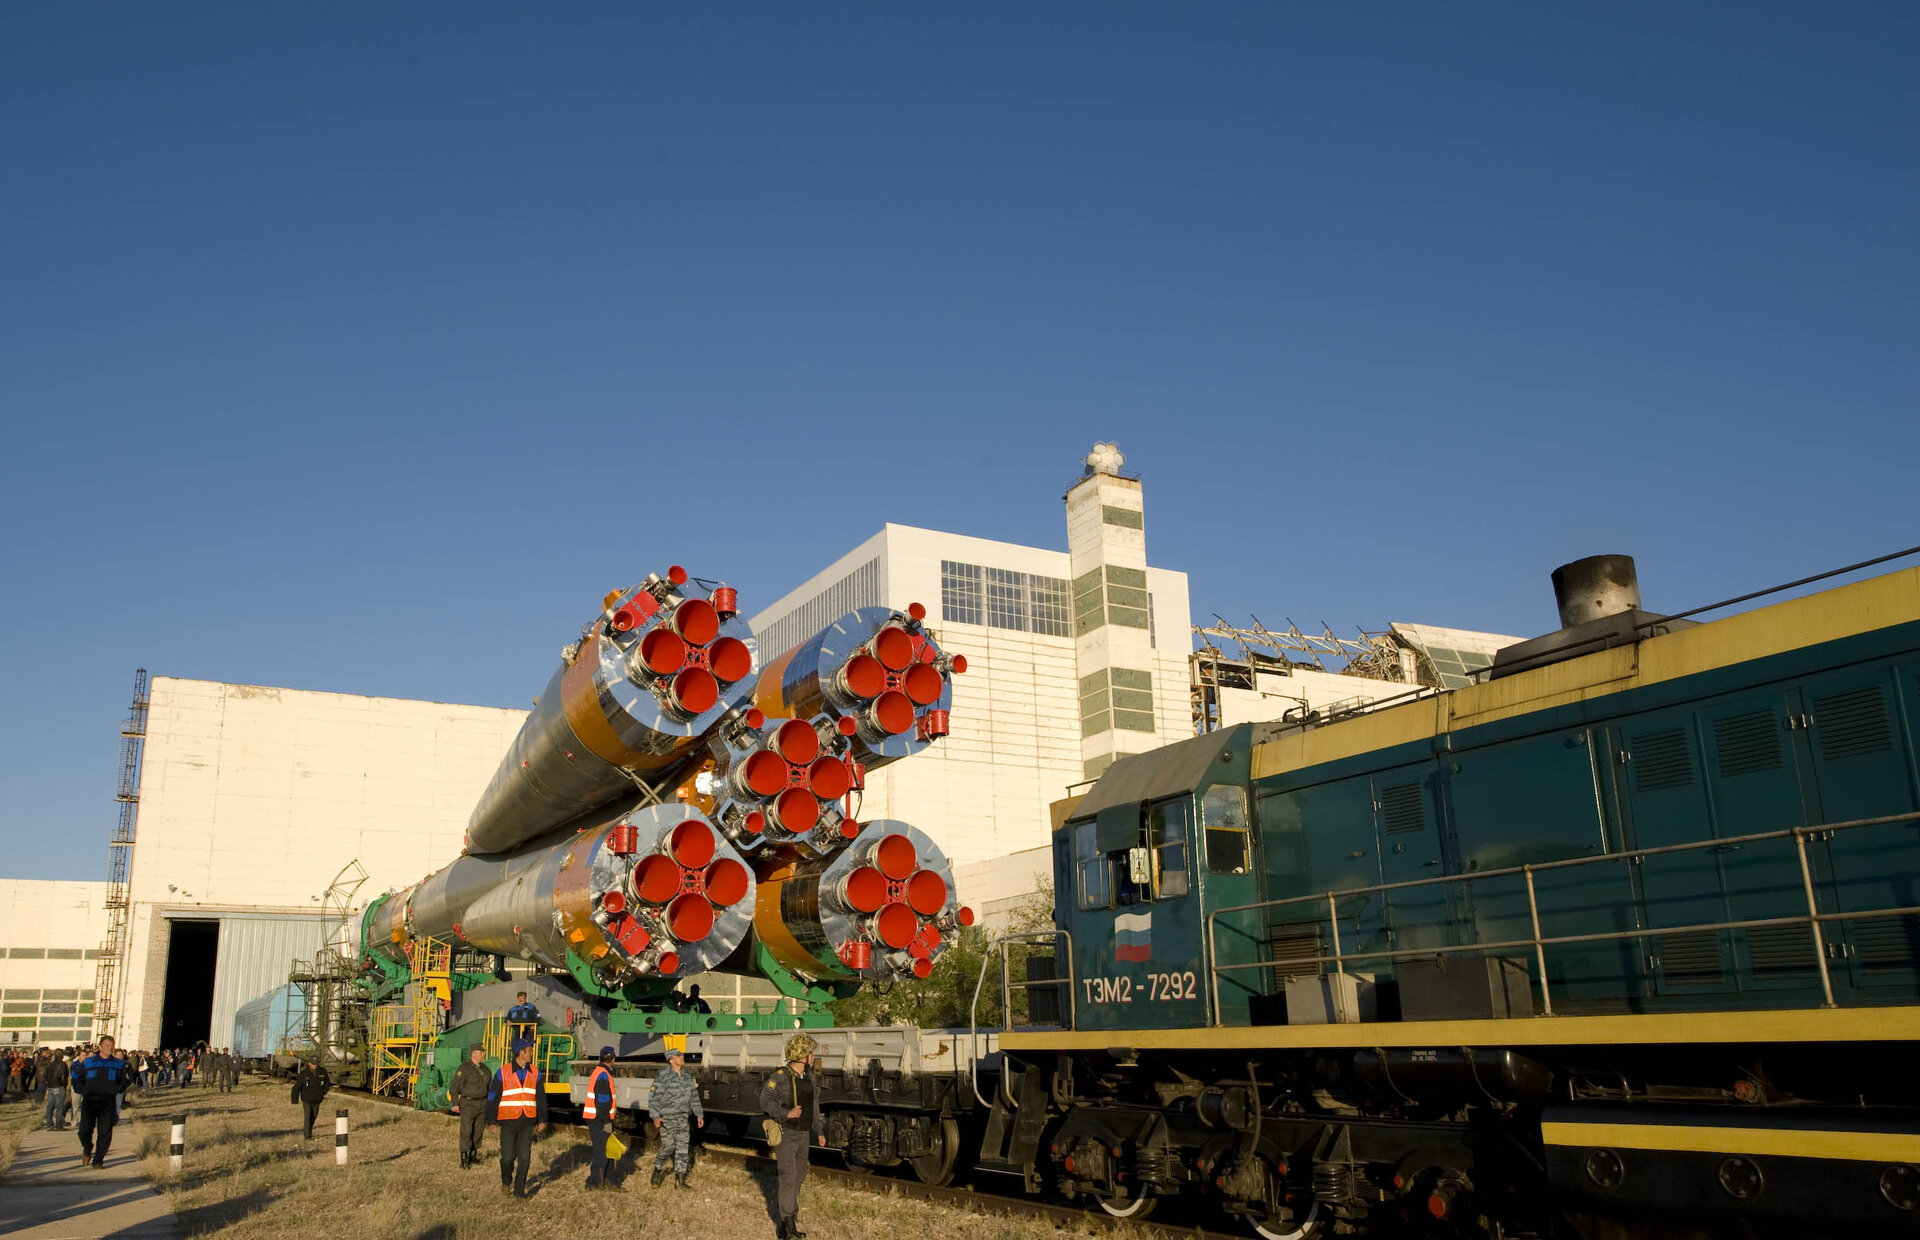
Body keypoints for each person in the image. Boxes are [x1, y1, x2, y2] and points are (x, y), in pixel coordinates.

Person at [759, 1034, 826, 1240]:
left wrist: (819, 1130)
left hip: (803, 1133)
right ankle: (788, 1228)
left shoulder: (809, 1076)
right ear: (801, 1055)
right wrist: (786, 1114)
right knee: (788, 1177)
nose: (813, 1057)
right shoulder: (780, 1076)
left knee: (800, 1175)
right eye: (810, 1053)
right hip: (786, 1133)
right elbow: (764, 1100)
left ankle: (786, 1220)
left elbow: (814, 1106)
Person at [486, 1039, 548, 1199]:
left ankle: (519, 1192)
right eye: (530, 1050)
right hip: (508, 1122)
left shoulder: (536, 1072)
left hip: (527, 1122)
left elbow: (541, 1098)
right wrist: (491, 1120)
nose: (532, 1053)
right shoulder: (502, 1072)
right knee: (507, 1159)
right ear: (521, 1052)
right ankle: (506, 1182)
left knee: (525, 1160)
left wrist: (542, 1119)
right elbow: (493, 1097)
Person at [648, 1044, 705, 1189]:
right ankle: (658, 1169)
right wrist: (655, 1116)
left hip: (682, 1118)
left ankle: (680, 1181)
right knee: (668, 1147)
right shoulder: (663, 1077)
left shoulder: (687, 1076)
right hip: (667, 1119)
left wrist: (699, 1114)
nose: (682, 1057)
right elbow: (653, 1098)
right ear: (671, 1060)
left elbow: (694, 1096)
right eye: (679, 1056)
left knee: (682, 1148)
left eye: (681, 1055)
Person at [71, 1036, 132, 1168]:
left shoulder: (119, 1064)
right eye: (107, 1045)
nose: (109, 1048)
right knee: (84, 1131)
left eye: (111, 1046)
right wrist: (83, 1090)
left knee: (104, 1133)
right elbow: (77, 1078)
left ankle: (98, 1160)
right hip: (90, 1101)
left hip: (107, 1102)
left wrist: (117, 1089)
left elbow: (125, 1080)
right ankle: (87, 1148)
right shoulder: (88, 1062)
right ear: (100, 1047)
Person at [581, 1046, 622, 1192]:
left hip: (596, 1118)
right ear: (613, 1059)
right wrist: (606, 1121)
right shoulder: (604, 1075)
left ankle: (607, 1180)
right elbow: (603, 1101)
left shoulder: (600, 1072)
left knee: (607, 1150)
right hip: (599, 1119)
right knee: (602, 1152)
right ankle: (594, 1183)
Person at [449, 1045, 493, 1170]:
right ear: (474, 1053)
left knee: (478, 1132)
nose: (483, 1055)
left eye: (483, 1053)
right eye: (481, 1052)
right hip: (468, 1104)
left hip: (482, 1104)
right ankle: (464, 1159)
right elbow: (454, 1087)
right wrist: (455, 1104)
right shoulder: (464, 1069)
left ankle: (473, 1155)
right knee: (466, 1131)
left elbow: (490, 1088)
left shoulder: (486, 1070)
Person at [290, 1057, 332, 1140]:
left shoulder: (322, 1071)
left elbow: (327, 1083)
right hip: (307, 1099)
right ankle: (307, 1135)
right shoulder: (304, 1073)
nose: (314, 1066)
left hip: (317, 1098)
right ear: (309, 1063)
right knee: (307, 1116)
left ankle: (308, 1129)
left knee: (314, 1115)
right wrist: (294, 1099)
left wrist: (323, 1092)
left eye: (316, 1064)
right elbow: (297, 1086)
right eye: (313, 1064)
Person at [42, 1050, 71, 1131]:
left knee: (50, 1105)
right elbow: (63, 1076)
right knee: (59, 1106)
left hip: (50, 1086)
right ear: (62, 1056)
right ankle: (58, 1125)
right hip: (59, 1085)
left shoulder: (50, 1064)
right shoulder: (62, 1064)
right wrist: (64, 1085)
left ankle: (49, 1124)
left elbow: (45, 1075)